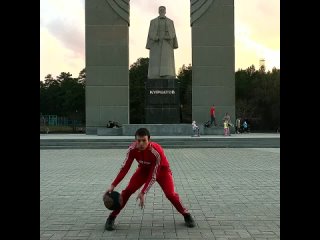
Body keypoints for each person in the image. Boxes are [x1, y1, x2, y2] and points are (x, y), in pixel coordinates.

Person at [104, 128, 195, 231]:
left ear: (149, 140)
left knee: (170, 194)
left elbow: (153, 176)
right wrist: (113, 184)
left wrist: (143, 192)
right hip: (143, 170)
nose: (141, 143)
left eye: (144, 140)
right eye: (138, 141)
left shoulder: (156, 151)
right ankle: (112, 217)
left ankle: (186, 214)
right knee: (128, 191)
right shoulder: (132, 149)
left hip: (162, 171)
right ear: (135, 140)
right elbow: (124, 168)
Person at [146, 6, 178, 79]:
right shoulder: (153, 21)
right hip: (156, 43)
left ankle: (168, 74)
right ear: (158, 11)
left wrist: (168, 36)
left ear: (165, 11)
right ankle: (154, 75)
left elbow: (173, 32)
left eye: (163, 9)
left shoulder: (170, 21)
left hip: (167, 43)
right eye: (160, 9)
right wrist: (155, 37)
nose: (161, 10)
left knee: (167, 60)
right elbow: (150, 32)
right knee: (155, 60)